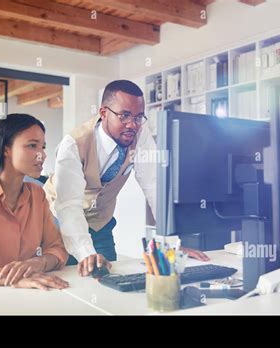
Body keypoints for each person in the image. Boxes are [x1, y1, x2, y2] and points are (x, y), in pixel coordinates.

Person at [44, 80, 209, 277]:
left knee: (110, 282)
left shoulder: (139, 134)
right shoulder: (73, 144)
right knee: (68, 282)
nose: (132, 124)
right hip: (58, 221)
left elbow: (154, 185)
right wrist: (86, 254)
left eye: (139, 117)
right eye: (124, 116)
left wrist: (172, 244)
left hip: (100, 222)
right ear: (104, 113)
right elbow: (69, 206)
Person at [0, 113, 69, 290]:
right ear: (6, 149)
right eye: (32, 145)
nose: (42, 155)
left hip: (31, 295)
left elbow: (57, 249)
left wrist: (39, 262)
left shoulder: (37, 194)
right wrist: (13, 278)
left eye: (43, 147)